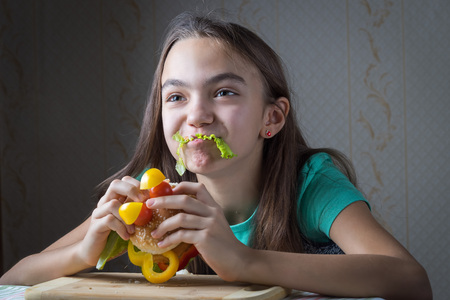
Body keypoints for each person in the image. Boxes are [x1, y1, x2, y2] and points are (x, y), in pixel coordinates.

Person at [1, 11, 432, 299]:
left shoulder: (310, 183)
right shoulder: (151, 199)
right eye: (176, 97)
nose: (197, 115)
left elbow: (411, 281)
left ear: (273, 117)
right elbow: (13, 279)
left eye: (223, 92)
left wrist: (242, 261)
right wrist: (85, 253)